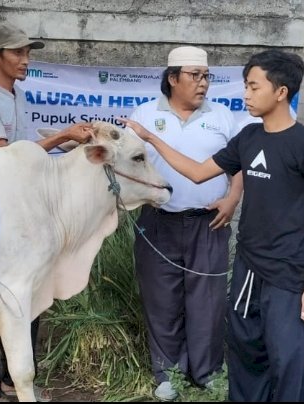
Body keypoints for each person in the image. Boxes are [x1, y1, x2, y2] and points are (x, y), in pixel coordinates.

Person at [123, 50, 304, 402]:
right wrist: (151, 137)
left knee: (285, 356)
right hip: (249, 266)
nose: (246, 94)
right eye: (246, 86)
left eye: (253, 87)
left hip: (288, 271)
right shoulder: (248, 139)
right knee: (245, 351)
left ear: (280, 92)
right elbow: (197, 171)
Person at [0, 22, 93, 402]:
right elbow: (4, 153)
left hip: (18, 213)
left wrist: (72, 152)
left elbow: (30, 151)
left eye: (27, 52)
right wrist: (63, 135)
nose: (25, 60)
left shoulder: (17, 97)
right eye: (17, 53)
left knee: (26, 295)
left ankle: (12, 378)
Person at [126, 46, 243, 401]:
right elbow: (127, 165)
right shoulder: (144, 117)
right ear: (173, 78)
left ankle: (207, 372)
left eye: (206, 76)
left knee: (207, 301)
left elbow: (238, 167)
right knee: (161, 298)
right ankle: (168, 373)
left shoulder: (223, 117)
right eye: (195, 76)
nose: (203, 84)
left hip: (209, 223)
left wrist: (232, 198)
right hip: (158, 223)